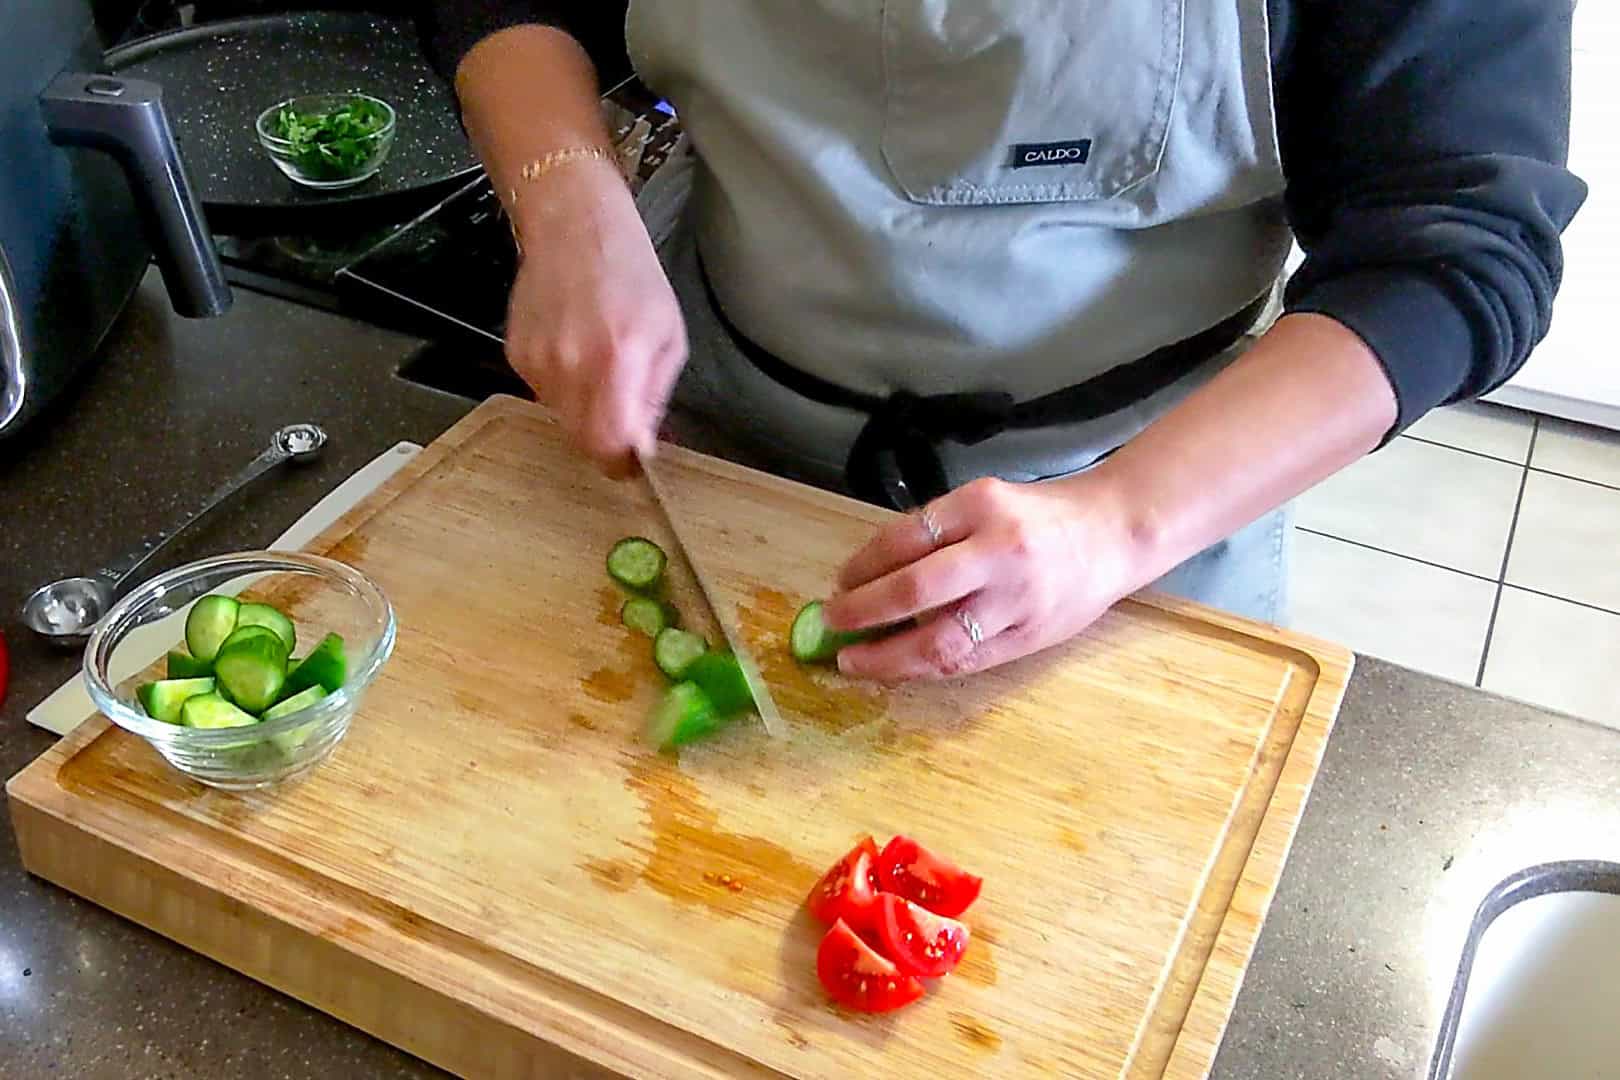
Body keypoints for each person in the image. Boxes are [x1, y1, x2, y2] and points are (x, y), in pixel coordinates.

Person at [418, 2, 1585, 682]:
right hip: (707, 432)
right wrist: (567, 194)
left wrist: (1116, 525)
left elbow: (1460, 245)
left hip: (1133, 515)